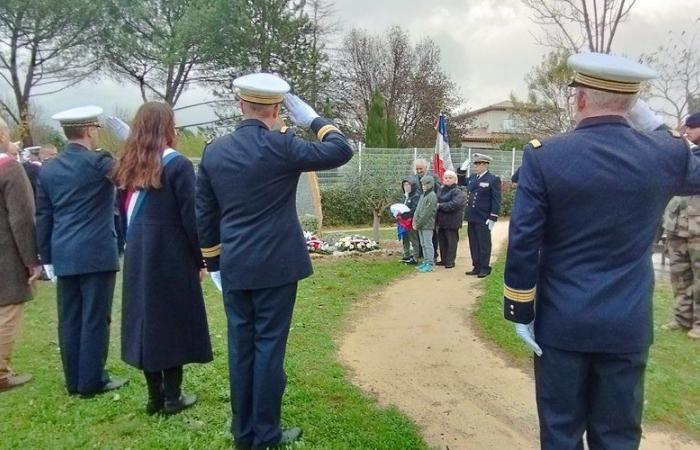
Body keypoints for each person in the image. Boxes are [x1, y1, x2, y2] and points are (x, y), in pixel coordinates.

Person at [504, 52, 700, 450]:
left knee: (560, 432)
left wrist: (520, 308)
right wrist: (660, 128)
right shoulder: (664, 155)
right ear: (633, 105)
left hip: (562, 321)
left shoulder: (545, 156)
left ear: (578, 100)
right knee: (618, 436)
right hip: (626, 323)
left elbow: (524, 240)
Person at [195, 73, 353, 449]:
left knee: (241, 348)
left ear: (240, 105)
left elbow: (205, 212)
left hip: (234, 263)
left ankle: (242, 432)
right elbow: (341, 150)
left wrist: (214, 262)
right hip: (276, 266)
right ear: (278, 108)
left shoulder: (214, 150)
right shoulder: (281, 146)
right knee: (268, 347)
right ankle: (264, 434)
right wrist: (315, 120)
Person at [114, 102, 213, 415]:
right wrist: (201, 260)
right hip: (172, 257)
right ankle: (172, 397)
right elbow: (191, 219)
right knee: (172, 323)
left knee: (146, 321)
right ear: (168, 127)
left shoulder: (127, 164)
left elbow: (120, 215)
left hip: (138, 257)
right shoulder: (178, 165)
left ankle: (154, 397)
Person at [36, 106, 127, 397]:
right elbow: (129, 176)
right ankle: (91, 380)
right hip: (97, 251)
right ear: (89, 130)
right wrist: (130, 141)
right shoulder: (99, 161)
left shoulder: (49, 168)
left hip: (63, 251)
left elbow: (44, 215)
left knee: (70, 317)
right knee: (95, 318)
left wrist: (46, 257)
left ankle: (73, 379)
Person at [0, 117, 41, 393]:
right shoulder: (9, 169)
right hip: (5, 253)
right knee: (7, 311)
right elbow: (22, 217)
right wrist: (31, 259)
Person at [661, 112, 700, 339]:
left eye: (691, 128)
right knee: (680, 274)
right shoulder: (689, 155)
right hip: (677, 224)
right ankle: (682, 317)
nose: (686, 132)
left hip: (697, 227)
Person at [459, 153, 501, 278]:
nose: (475, 166)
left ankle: (485, 267)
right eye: (475, 164)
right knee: (473, 242)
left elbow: (496, 199)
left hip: (483, 216)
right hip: (472, 215)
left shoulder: (492, 179)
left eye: (478, 164)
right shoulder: (473, 177)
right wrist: (462, 169)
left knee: (484, 243)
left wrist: (493, 216)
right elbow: (461, 182)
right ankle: (476, 266)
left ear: (485, 164)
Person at [436, 170, 466, 269]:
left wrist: (439, 206)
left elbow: (454, 204)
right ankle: (444, 260)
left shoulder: (457, 191)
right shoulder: (441, 189)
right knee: (442, 241)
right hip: (441, 220)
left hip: (452, 221)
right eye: (446, 177)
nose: (447, 179)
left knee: (451, 241)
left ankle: (450, 261)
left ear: (455, 180)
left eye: (450, 177)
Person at [412, 175, 438, 273]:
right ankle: (426, 261)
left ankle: (430, 263)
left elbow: (427, 213)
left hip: (427, 225)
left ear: (430, 184)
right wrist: (414, 221)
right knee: (423, 244)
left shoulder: (432, 196)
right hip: (420, 225)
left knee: (428, 244)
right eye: (422, 184)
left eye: (425, 184)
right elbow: (417, 210)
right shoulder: (423, 195)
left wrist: (417, 224)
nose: (423, 186)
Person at [399, 177, 420, 265]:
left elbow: (414, 209)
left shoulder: (415, 196)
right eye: (404, 185)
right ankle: (406, 255)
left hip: (411, 221)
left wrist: (405, 214)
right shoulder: (405, 196)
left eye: (408, 184)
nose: (406, 187)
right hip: (404, 222)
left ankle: (415, 257)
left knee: (413, 239)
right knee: (405, 238)